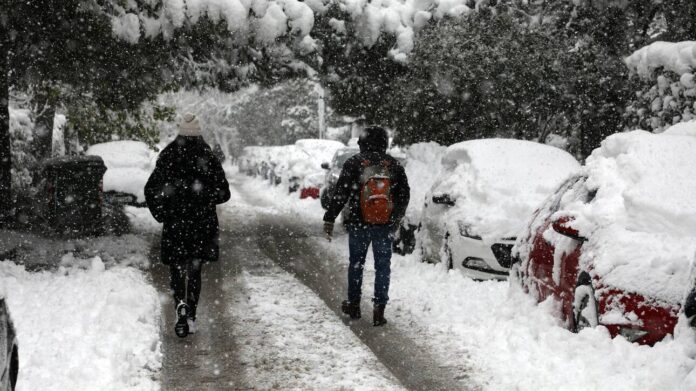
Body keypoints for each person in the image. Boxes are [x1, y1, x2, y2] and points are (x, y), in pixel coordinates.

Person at [145, 113, 231, 338]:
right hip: (201, 224)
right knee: (194, 270)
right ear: (199, 131)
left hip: (175, 223)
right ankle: (190, 314)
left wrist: (162, 213)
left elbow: (151, 190)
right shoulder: (208, 156)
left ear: (180, 131)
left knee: (176, 267)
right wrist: (205, 197)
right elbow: (224, 193)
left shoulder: (169, 155)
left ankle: (180, 305)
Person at [323, 125, 410, 326]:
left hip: (358, 223)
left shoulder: (354, 163)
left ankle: (353, 304)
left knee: (356, 265)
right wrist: (395, 218)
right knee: (382, 267)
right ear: (384, 143)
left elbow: (340, 193)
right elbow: (404, 195)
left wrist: (330, 217)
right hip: (384, 225)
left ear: (362, 143)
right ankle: (379, 309)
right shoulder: (393, 165)